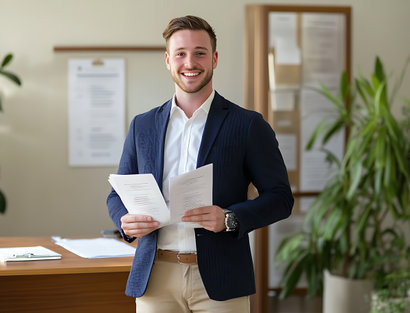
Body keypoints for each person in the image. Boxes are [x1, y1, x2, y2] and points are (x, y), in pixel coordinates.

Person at [107, 15, 293, 313]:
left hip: (222, 279)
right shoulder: (143, 125)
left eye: (200, 53)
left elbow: (281, 198)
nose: (189, 62)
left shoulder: (247, 125)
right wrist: (124, 221)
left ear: (214, 59)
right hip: (156, 277)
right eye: (180, 53)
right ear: (168, 60)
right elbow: (117, 194)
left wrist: (229, 217)